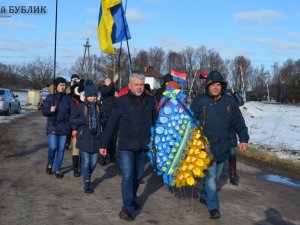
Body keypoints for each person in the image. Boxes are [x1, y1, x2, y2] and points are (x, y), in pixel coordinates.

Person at [190, 71, 249, 219]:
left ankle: (204, 195)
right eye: (213, 85)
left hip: (224, 145)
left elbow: (238, 121)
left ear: (221, 86)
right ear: (207, 86)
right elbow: (190, 122)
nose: (216, 88)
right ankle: (213, 207)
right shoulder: (199, 101)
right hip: (206, 147)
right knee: (210, 176)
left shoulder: (229, 101)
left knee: (215, 175)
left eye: (218, 85)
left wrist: (243, 139)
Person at [99, 72, 157, 221]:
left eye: (141, 85)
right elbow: (111, 124)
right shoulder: (121, 102)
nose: (139, 87)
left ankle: (132, 199)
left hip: (144, 146)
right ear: (130, 85)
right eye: (136, 85)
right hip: (126, 146)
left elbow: (156, 122)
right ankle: (127, 208)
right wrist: (103, 144)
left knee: (137, 177)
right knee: (128, 176)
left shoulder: (150, 101)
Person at [70, 80, 103, 193]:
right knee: (86, 161)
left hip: (96, 139)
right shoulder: (80, 107)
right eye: (90, 96)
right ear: (86, 97)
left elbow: (105, 119)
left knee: (93, 162)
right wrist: (83, 121)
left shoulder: (99, 108)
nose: (92, 98)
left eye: (94, 96)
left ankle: (87, 175)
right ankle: (87, 183)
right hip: (84, 138)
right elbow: (72, 119)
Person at [42, 77, 72, 178]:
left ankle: (58, 169)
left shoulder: (68, 98)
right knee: (53, 147)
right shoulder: (50, 98)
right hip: (53, 126)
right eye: (61, 85)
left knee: (61, 149)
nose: (63, 87)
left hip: (64, 128)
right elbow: (44, 112)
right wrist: (50, 110)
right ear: (56, 86)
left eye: (64, 85)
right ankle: (50, 163)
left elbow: (72, 113)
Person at [98, 74, 119, 165]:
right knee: (106, 136)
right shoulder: (104, 89)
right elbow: (108, 90)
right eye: (108, 80)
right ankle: (103, 157)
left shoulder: (113, 89)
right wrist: (113, 81)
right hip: (106, 116)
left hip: (114, 114)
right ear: (104, 83)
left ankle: (112, 155)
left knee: (114, 137)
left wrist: (117, 95)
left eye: (110, 80)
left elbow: (116, 94)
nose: (109, 81)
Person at [226, 87, 245, 185]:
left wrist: (235, 93)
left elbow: (241, 102)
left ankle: (232, 176)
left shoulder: (233, 102)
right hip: (222, 130)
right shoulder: (221, 101)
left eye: (230, 95)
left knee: (232, 153)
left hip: (232, 131)